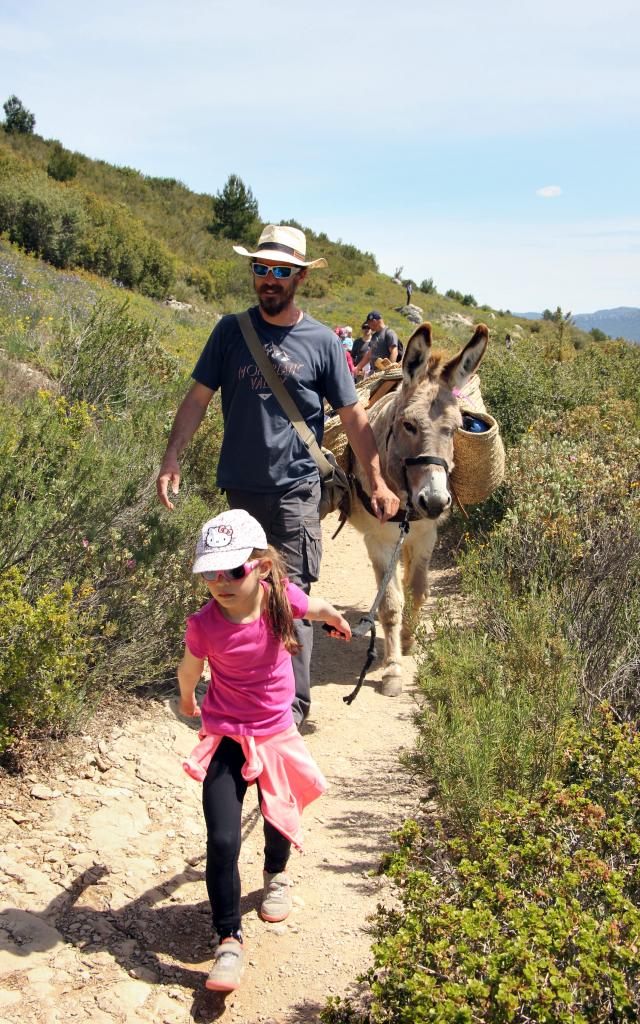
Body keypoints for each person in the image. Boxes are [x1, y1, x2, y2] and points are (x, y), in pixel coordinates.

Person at [157, 225, 399, 727]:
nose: (269, 278)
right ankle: (243, 696)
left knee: (291, 596)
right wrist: (172, 455)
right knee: (238, 595)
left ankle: (290, 709)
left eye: (281, 270)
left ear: (300, 277)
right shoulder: (229, 332)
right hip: (240, 491)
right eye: (261, 268)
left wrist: (377, 481)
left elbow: (354, 419)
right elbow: (197, 399)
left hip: (295, 490)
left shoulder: (322, 342)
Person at [178, 508, 351, 992]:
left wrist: (335, 618)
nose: (220, 583)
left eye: (232, 570)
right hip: (227, 737)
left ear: (262, 567)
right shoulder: (204, 624)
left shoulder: (279, 599)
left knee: (278, 817)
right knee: (222, 840)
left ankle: (276, 874)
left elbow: (313, 607)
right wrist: (188, 699)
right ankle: (228, 939)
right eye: (210, 573)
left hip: (275, 734)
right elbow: (189, 667)